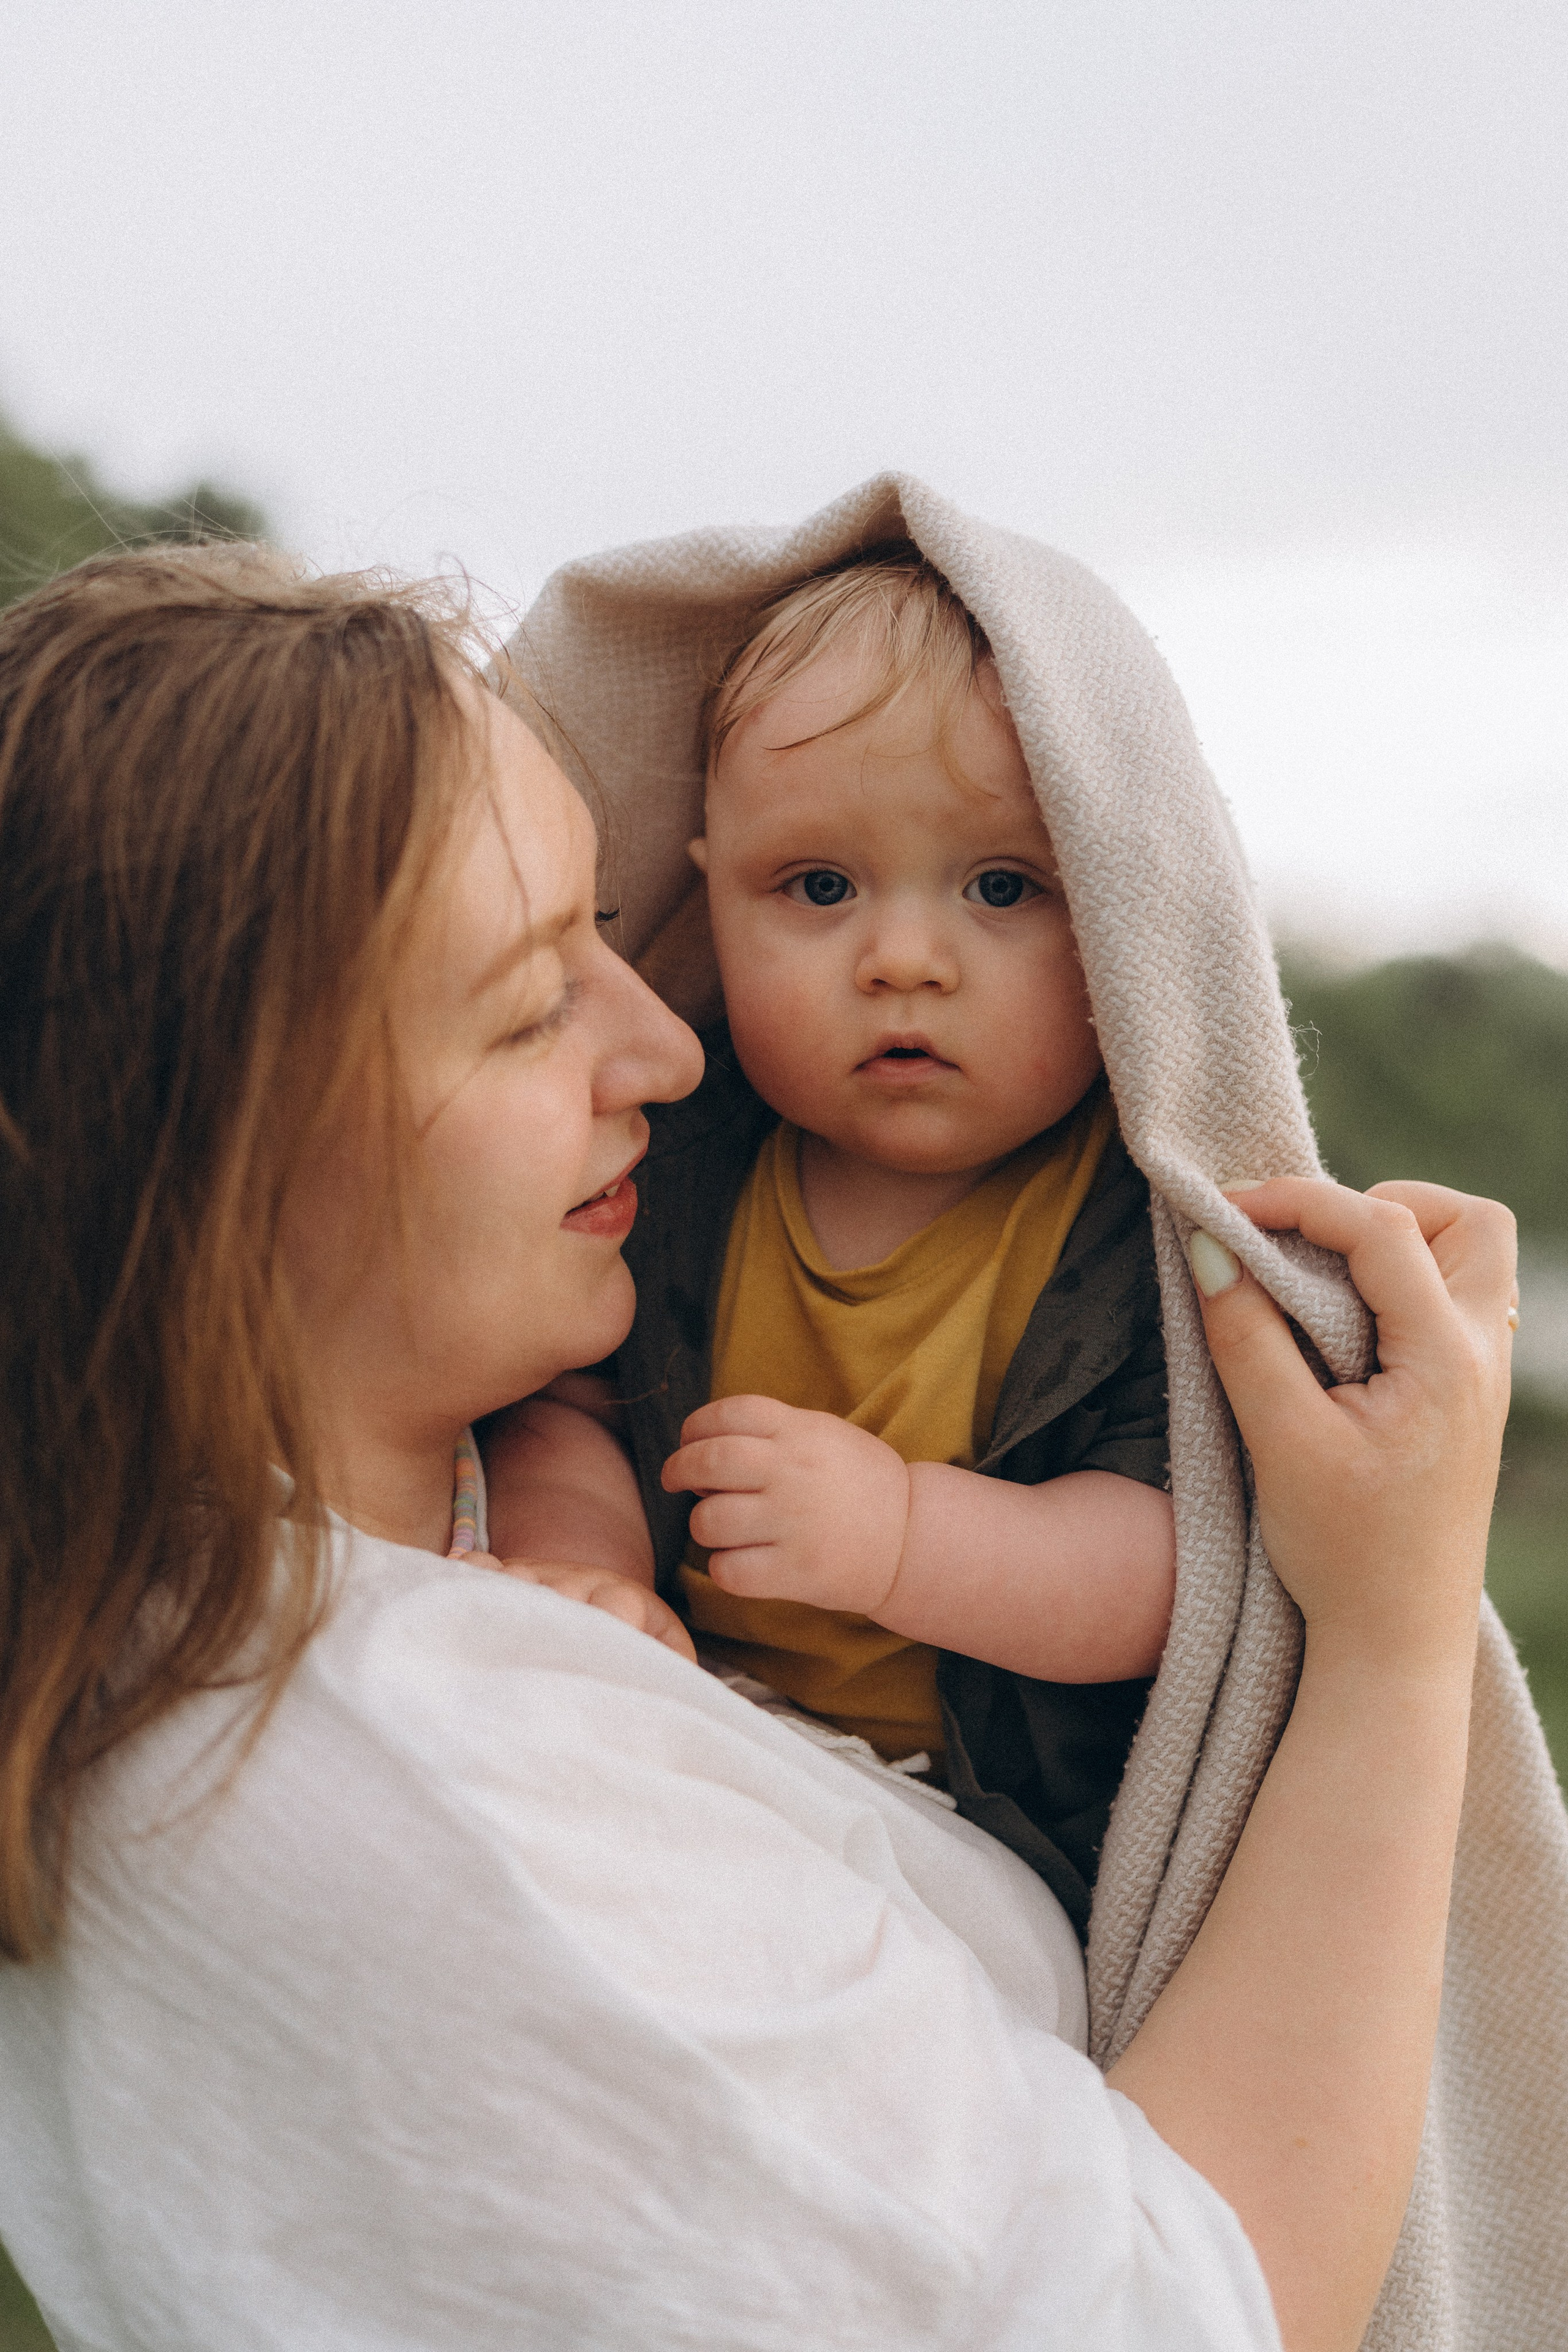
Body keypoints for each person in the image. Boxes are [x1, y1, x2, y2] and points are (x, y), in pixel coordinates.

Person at [0, 538, 1544, 2352]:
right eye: (528, 999)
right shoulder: (420, 1794)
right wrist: (1386, 1630)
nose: (668, 1041)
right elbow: (1190, 2312)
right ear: (220, 1150)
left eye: (607, 930)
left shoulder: (334, 1568)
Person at [483, 548, 1177, 1837]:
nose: (902, 960)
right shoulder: (671, 1160)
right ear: (711, 895)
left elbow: (1169, 1575)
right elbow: (564, 1409)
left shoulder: (1136, 1222)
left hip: (983, 1818)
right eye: (816, 887)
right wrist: (586, 1570)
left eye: (1001, 888)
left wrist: (902, 1537)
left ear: (1124, 915)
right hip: (704, 1738)